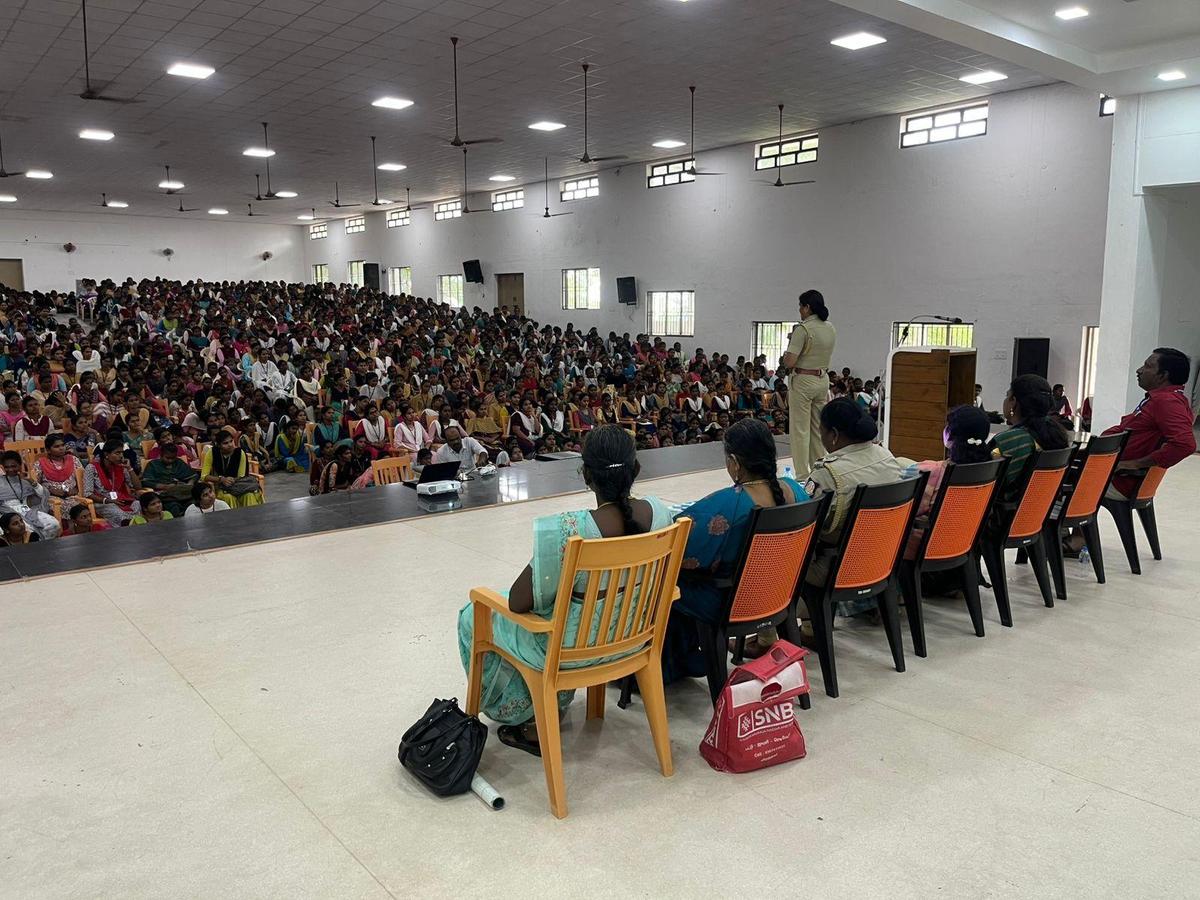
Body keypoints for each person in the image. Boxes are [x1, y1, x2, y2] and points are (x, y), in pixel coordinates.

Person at [456, 425, 676, 754]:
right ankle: (545, 709)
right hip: (631, 640)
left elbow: (518, 602)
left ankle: (526, 717)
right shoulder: (662, 516)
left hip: (569, 652)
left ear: (585, 475)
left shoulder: (569, 530)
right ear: (637, 470)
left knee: (474, 614)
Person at [665, 419, 809, 679]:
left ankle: (671, 664)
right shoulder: (797, 492)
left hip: (731, 603)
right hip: (781, 594)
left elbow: (680, 548)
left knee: (663, 583)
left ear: (734, 462)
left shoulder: (730, 503)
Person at [803, 397, 909, 614]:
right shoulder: (886, 456)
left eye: (821, 430)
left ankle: (808, 627)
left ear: (833, 434)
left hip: (842, 566)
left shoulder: (828, 474)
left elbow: (809, 525)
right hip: (885, 557)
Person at [1103, 348, 1196, 498]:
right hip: (1112, 471)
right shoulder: (1167, 399)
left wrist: (1134, 464)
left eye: (1148, 366)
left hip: (1117, 480)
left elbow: (1185, 445)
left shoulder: (1167, 402)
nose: (1139, 370)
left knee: (1055, 484)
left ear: (1163, 376)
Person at [905, 405, 992, 559]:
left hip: (925, 546)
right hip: (964, 542)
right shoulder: (989, 471)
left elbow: (908, 510)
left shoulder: (932, 471)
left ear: (950, 434)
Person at [781, 289, 836, 480]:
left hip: (803, 381)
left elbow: (789, 362)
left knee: (800, 430)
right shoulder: (830, 327)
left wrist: (790, 345)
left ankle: (802, 474)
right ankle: (818, 469)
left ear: (807, 307)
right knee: (817, 427)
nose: (799, 310)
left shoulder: (802, 329)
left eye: (800, 306)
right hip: (822, 380)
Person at [990, 374, 1069, 495]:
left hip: (1006, 510)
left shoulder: (1007, 441)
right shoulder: (1057, 433)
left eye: (1007, 396)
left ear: (1013, 402)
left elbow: (982, 481)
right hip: (1038, 508)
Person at [0, 449, 61, 538]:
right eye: (7, 467)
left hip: (27, 511)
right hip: (7, 512)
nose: (10, 469)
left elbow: (43, 494)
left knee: (53, 524)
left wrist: (32, 482)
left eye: (13, 466)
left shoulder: (25, 481)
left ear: (20, 466)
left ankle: (42, 546)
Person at [201, 427, 264, 508]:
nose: (230, 445)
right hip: (221, 487)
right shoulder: (212, 452)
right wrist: (221, 479)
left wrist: (231, 480)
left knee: (249, 495)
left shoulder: (240, 453)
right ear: (219, 445)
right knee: (228, 497)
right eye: (225, 443)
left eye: (231, 441)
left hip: (238, 485)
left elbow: (241, 476)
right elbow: (203, 476)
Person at [85, 438, 142, 525]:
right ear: (106, 454)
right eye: (117, 453)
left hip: (122, 500)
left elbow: (138, 487)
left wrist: (129, 468)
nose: (121, 456)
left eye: (122, 453)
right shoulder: (92, 468)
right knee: (118, 514)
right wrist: (108, 500)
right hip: (103, 502)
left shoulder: (121, 467)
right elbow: (88, 493)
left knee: (138, 504)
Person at [141, 440, 199, 516]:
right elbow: (146, 482)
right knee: (174, 508)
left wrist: (190, 483)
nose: (170, 460)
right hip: (166, 497)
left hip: (184, 494)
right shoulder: (153, 465)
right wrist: (165, 486)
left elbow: (193, 476)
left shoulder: (178, 462)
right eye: (167, 458)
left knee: (194, 505)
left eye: (173, 458)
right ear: (161, 455)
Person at [35, 433, 83, 513]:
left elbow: (83, 479)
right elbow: (35, 485)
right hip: (51, 497)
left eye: (62, 445)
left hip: (73, 495)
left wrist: (77, 489)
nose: (61, 448)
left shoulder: (73, 460)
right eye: (56, 446)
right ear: (48, 450)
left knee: (79, 506)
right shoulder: (40, 463)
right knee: (57, 505)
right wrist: (49, 490)